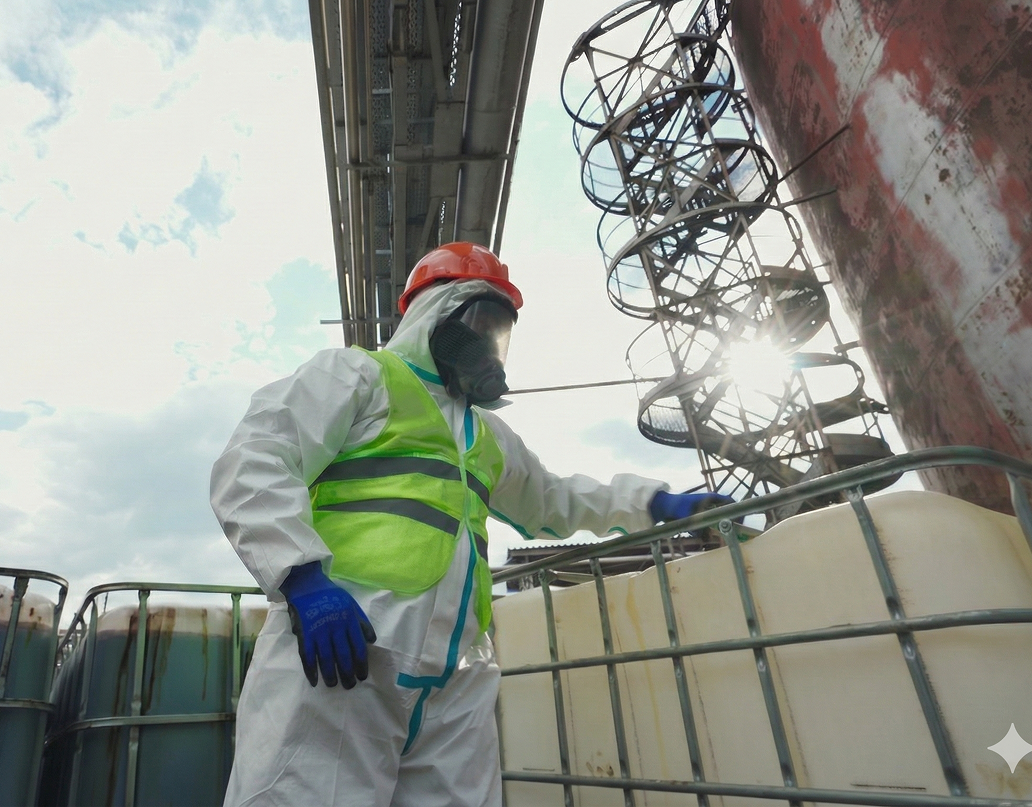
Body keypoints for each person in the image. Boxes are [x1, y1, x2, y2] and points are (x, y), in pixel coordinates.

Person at [209, 242, 730, 806]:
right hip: (345, 646)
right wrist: (302, 579)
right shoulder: (359, 376)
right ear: (434, 312)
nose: (489, 342)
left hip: (457, 674)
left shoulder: (489, 434)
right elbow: (257, 458)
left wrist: (654, 502)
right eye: (481, 321)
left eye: (500, 330)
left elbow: (552, 499)